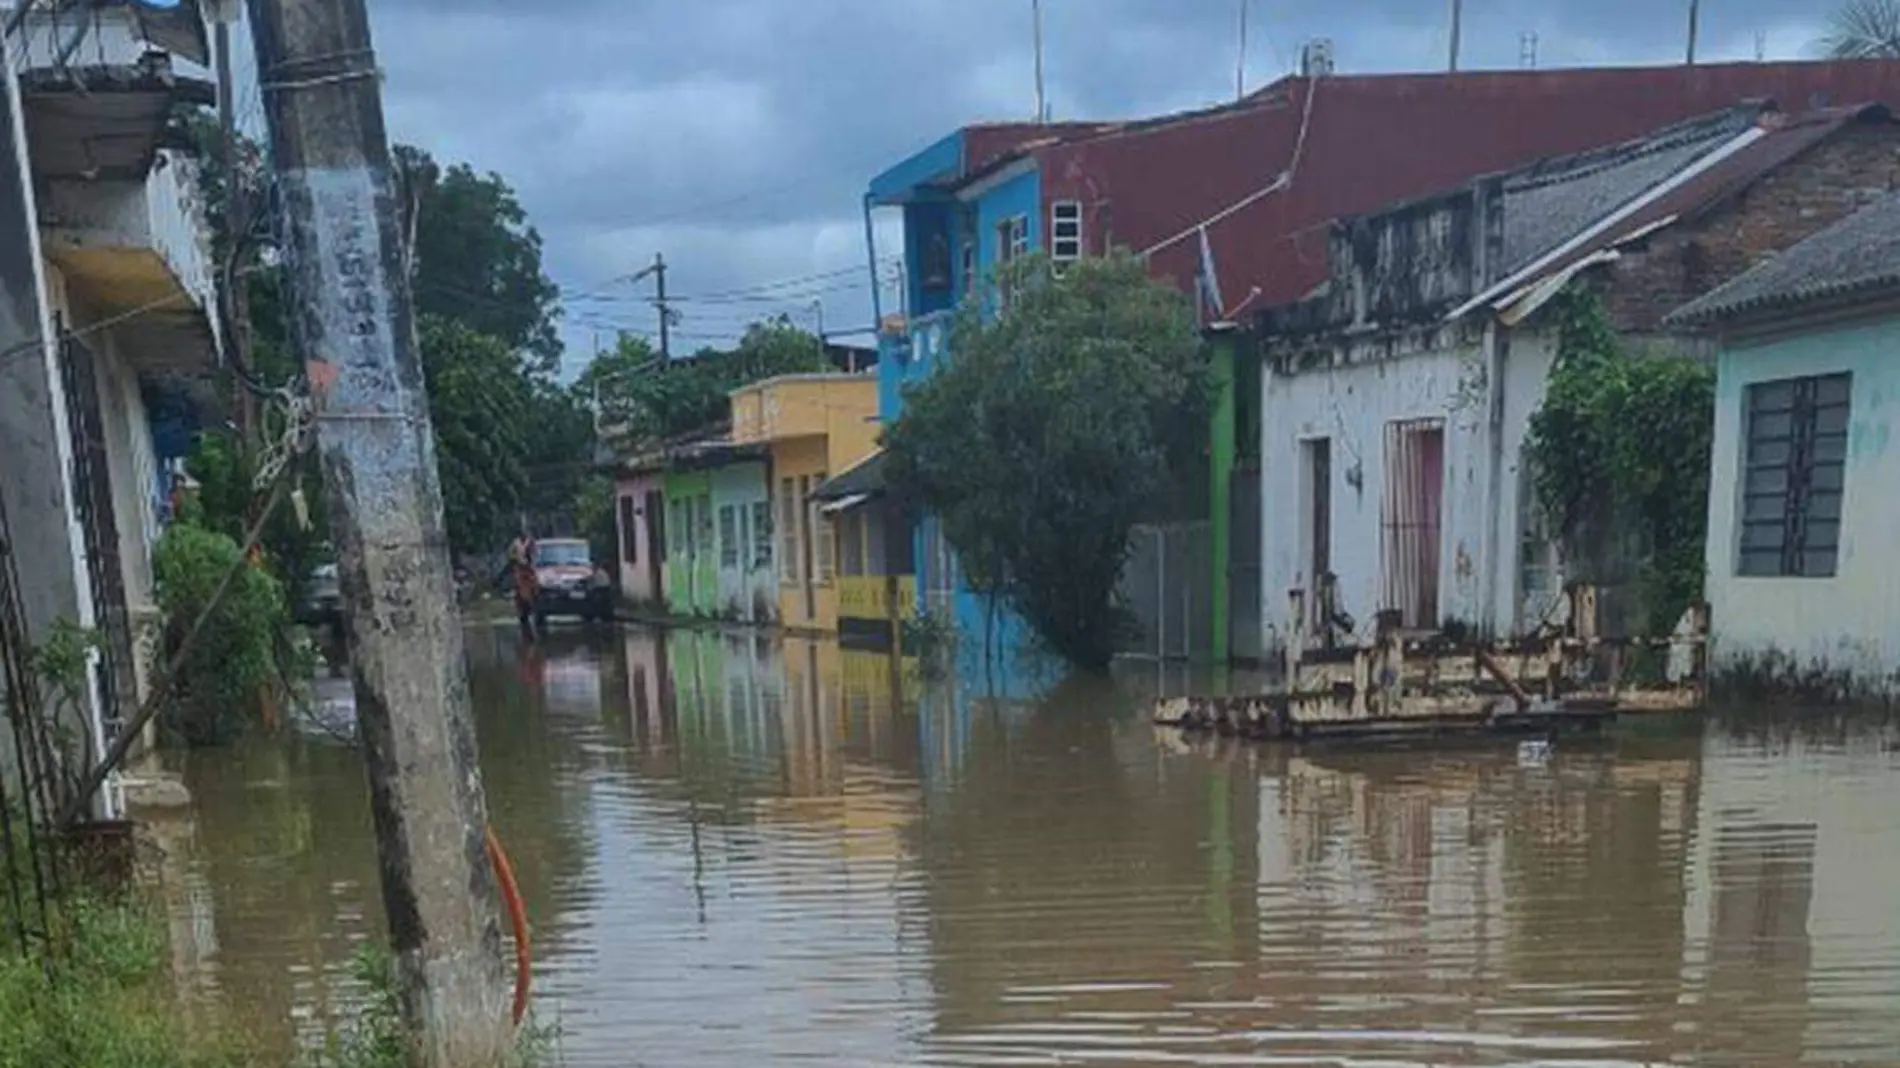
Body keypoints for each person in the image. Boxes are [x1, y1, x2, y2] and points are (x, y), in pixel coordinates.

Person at [504, 531, 539, 640]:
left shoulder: (530, 543)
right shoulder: (516, 544)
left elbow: (534, 554)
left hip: (527, 573)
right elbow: (511, 555)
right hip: (520, 571)